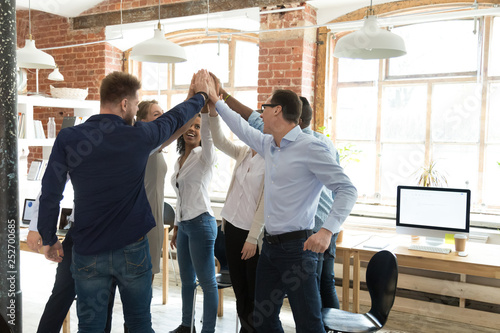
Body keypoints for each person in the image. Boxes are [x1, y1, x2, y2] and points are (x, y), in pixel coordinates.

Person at [37, 70, 211, 332]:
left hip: (88, 250)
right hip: (132, 250)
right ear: (124, 104)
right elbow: (173, 119)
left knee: (91, 326)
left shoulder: (69, 138)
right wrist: (200, 96)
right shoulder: (139, 135)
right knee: (140, 323)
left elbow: (51, 191)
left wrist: (49, 237)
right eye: (135, 102)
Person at [206, 86, 357, 333]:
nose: (260, 114)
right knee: (263, 319)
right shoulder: (269, 145)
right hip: (270, 249)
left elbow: (347, 189)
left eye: (264, 108)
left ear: (277, 110)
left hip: (298, 251)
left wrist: (327, 231)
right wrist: (217, 102)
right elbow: (241, 128)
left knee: (308, 323)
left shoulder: (311, 147)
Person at [208, 103, 265, 333]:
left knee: (254, 291)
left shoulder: (272, 158)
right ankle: (245, 328)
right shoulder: (243, 151)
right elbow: (220, 141)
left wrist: (253, 237)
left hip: (251, 235)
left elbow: (265, 204)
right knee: (240, 289)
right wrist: (213, 112)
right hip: (230, 226)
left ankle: (250, 329)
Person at [169, 104, 218, 333]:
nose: (193, 129)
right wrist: (177, 227)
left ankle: (208, 330)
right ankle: (186, 326)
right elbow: (181, 197)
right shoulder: (179, 160)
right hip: (186, 225)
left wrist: (206, 116)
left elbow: (208, 139)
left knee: (207, 283)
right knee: (187, 281)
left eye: (197, 127)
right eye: (190, 124)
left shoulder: (204, 156)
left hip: (201, 223)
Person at [137, 99, 196, 282]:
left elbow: (179, 126)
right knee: (143, 276)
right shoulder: (146, 144)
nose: (163, 118)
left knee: (149, 274)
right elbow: (178, 126)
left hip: (155, 217)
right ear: (143, 121)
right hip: (144, 219)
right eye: (156, 115)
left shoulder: (155, 146)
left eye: (163, 113)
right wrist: (193, 99)